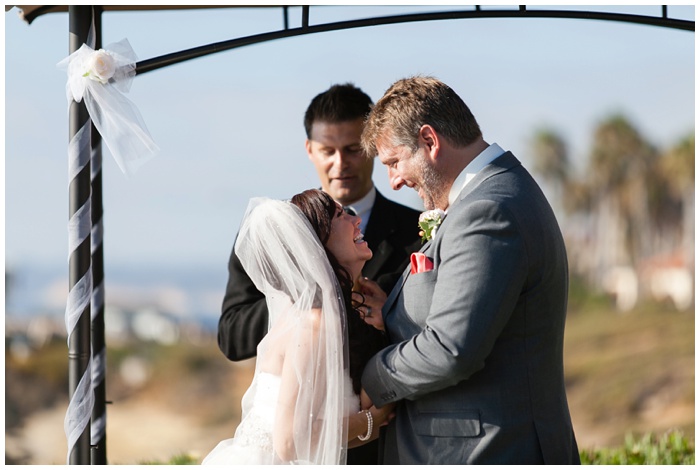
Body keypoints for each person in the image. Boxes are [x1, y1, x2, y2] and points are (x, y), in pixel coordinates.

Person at [358, 76, 580, 464]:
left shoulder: (487, 210)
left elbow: (451, 348)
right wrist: (392, 309)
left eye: (394, 162)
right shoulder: (493, 196)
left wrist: (373, 376)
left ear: (430, 141)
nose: (393, 181)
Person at [217, 84, 421, 463]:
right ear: (310, 150)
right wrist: (312, 290)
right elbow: (231, 336)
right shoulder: (275, 242)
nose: (340, 164)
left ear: (374, 148)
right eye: (328, 151)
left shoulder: (416, 230)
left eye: (353, 149)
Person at [203, 189, 393, 465]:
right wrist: (370, 420)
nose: (356, 221)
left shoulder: (329, 316)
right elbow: (290, 441)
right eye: (341, 216)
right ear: (317, 245)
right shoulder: (314, 324)